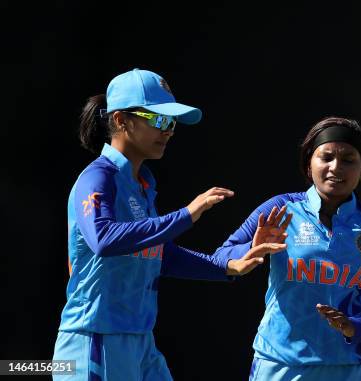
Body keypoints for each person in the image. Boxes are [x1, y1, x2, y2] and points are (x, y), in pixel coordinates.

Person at [52, 68, 286, 381]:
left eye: (172, 122)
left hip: (140, 340)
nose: (169, 130)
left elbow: (159, 254)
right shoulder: (98, 177)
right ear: (121, 120)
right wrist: (187, 214)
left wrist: (228, 266)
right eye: (160, 120)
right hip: (94, 339)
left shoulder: (142, 183)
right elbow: (104, 239)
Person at [213, 117, 361, 380]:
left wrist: (358, 327)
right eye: (325, 157)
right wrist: (253, 248)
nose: (335, 167)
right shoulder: (281, 209)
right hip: (281, 364)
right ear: (308, 164)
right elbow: (221, 257)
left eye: (348, 159)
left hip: (353, 368)